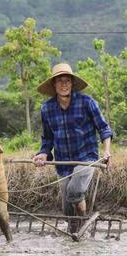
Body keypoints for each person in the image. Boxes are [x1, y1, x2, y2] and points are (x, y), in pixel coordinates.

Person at [33, 63, 113, 232]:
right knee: (67, 209)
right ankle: (74, 235)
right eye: (60, 81)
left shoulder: (87, 102)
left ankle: (81, 221)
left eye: (67, 81)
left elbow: (104, 129)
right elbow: (48, 139)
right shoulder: (47, 108)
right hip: (63, 162)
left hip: (86, 157)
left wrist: (106, 151)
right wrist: (42, 154)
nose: (64, 84)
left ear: (72, 84)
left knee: (74, 192)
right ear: (54, 85)